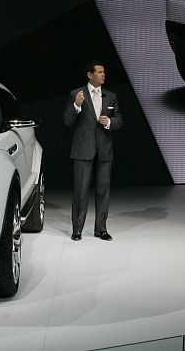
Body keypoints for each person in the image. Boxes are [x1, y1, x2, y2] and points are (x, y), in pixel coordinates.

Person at [62, 60, 123, 241]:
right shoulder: (76, 94)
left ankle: (100, 229)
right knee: (81, 190)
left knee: (103, 190)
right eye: (99, 72)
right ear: (90, 75)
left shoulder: (110, 96)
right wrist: (76, 106)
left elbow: (120, 119)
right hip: (83, 149)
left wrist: (110, 122)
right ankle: (77, 229)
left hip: (104, 149)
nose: (103, 74)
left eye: (104, 72)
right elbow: (67, 120)